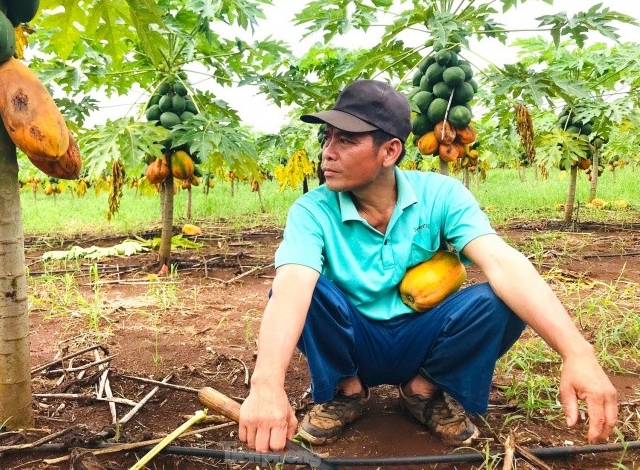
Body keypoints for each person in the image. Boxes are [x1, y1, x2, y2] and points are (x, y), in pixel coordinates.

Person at [238, 79, 618, 453]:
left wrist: (577, 352)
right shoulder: (312, 209)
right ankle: (346, 391)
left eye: (346, 140)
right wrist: (266, 384)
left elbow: (502, 262)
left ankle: (424, 390)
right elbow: (292, 285)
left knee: (501, 299)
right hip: (355, 339)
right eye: (328, 138)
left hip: (421, 335)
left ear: (389, 151)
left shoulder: (442, 194)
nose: (328, 152)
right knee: (310, 290)